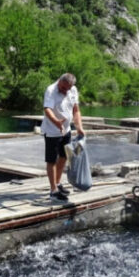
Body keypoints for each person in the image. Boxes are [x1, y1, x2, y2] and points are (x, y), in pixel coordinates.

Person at [41, 73, 85, 202]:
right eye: (62, 88)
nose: (64, 91)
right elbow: (47, 109)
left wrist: (79, 127)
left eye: (67, 88)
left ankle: (58, 183)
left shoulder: (73, 90)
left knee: (64, 156)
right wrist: (56, 122)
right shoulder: (51, 90)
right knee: (51, 160)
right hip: (52, 131)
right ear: (59, 81)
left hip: (66, 130)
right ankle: (53, 190)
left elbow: (76, 110)